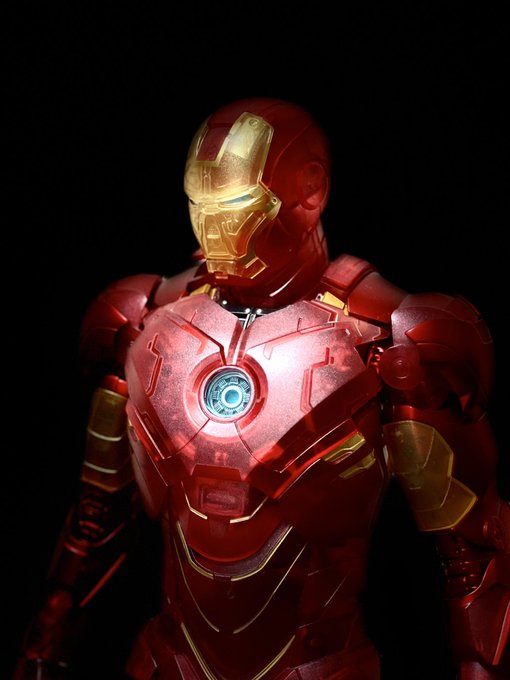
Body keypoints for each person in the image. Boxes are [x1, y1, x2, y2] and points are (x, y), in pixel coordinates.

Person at [13, 97, 509, 679]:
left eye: (235, 209)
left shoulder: (390, 339)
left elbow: (474, 555)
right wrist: (43, 649)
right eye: (201, 209)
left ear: (310, 193)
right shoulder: (142, 321)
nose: (215, 234)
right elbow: (95, 519)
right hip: (171, 663)